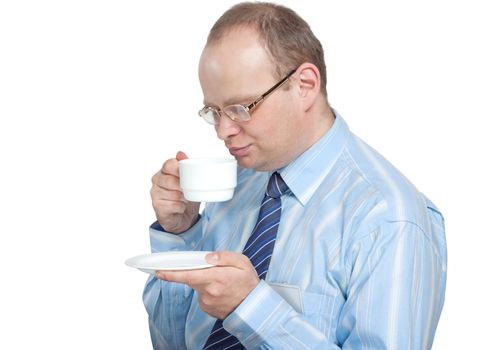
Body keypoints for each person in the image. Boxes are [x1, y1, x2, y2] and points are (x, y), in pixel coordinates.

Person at [143, 2, 447, 349]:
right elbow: (171, 343)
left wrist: (252, 308)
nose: (223, 131)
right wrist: (181, 233)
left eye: (241, 108)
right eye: (214, 111)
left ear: (304, 85)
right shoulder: (240, 186)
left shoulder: (388, 218)